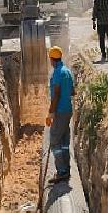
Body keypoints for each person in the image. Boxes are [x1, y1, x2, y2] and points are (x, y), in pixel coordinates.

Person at [45, 46, 75, 183]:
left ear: (52, 59)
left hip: (60, 111)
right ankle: (67, 169)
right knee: (63, 141)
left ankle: (62, 171)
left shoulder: (57, 72)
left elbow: (56, 95)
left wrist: (51, 113)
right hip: (68, 110)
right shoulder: (67, 71)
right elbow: (73, 91)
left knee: (55, 141)